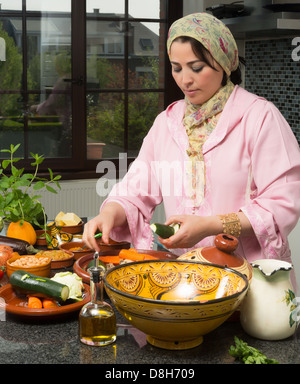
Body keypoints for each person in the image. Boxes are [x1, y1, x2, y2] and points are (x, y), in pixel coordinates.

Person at [83, 12, 300, 273]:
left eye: (196, 68)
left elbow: (282, 203)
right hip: (185, 275)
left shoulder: (260, 117)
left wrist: (210, 225)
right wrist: (108, 214)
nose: (185, 79)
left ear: (223, 63)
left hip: (250, 275)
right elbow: (135, 190)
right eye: (177, 68)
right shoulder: (167, 123)